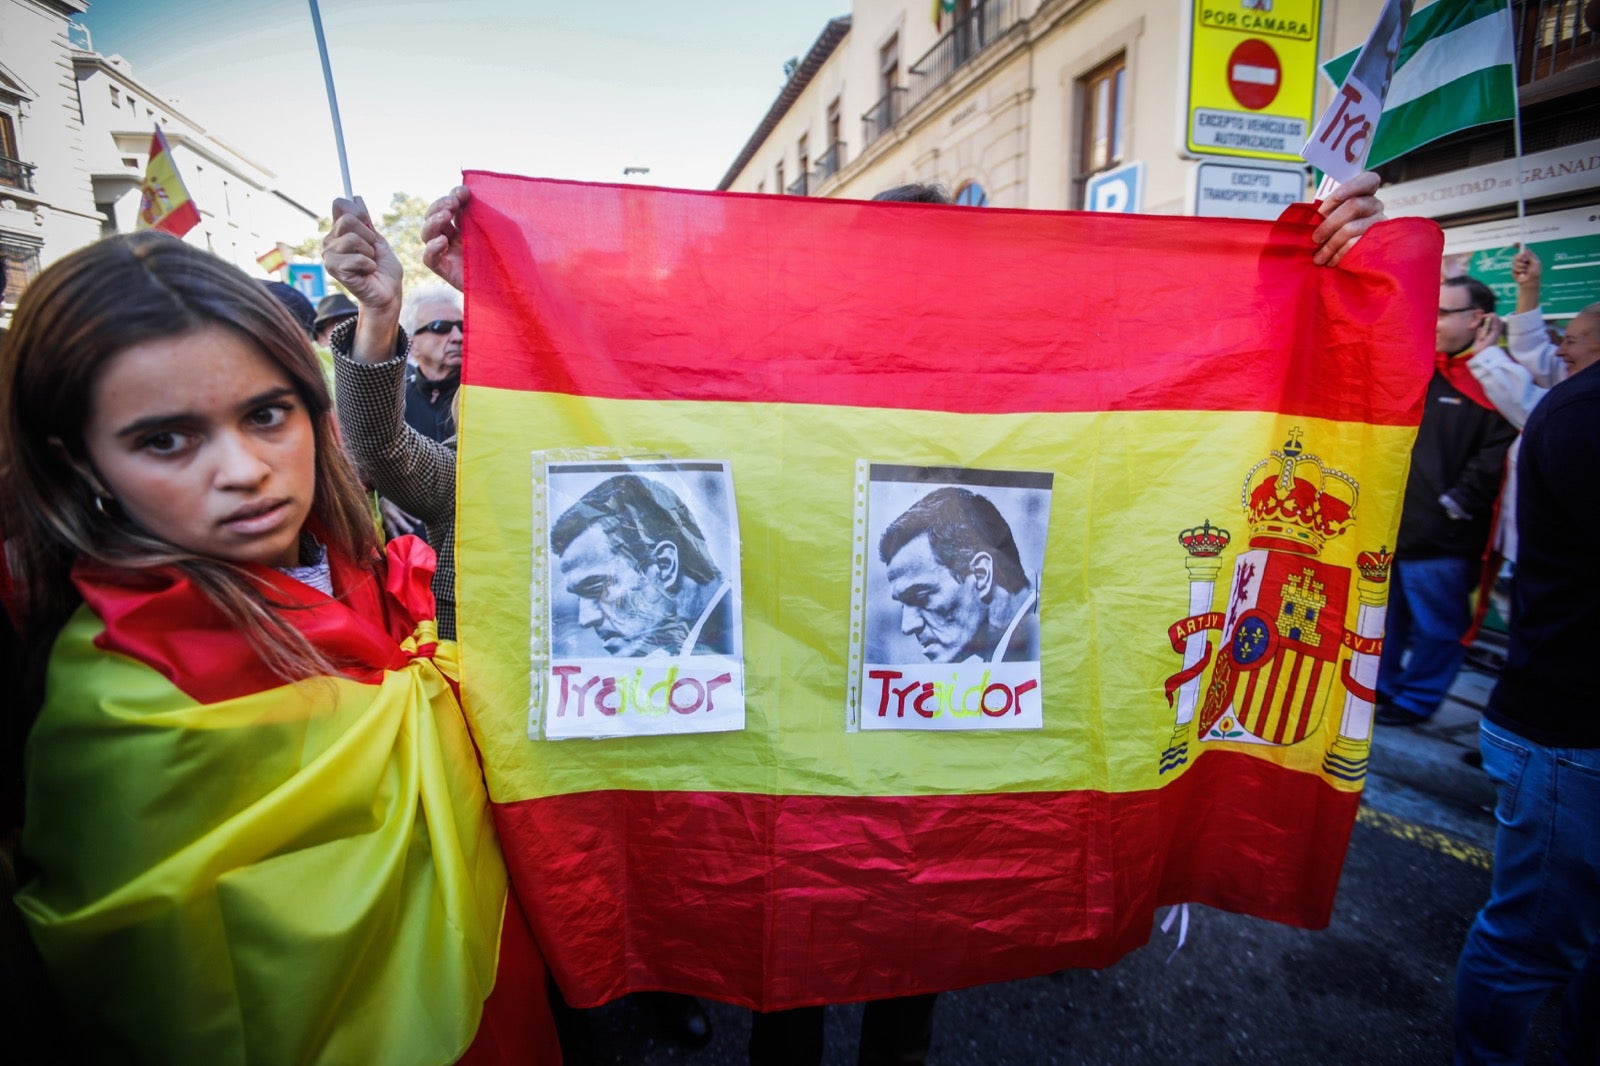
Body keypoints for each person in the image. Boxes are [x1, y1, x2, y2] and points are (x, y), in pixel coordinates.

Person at [0, 231, 556, 1063]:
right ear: (78, 461)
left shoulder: (342, 552)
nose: (245, 471)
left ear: (306, 410)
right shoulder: (127, 691)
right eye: (165, 440)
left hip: (491, 985)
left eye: (265, 416)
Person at [1452, 320, 1600, 1066]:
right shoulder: (1580, 413)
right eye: (1565, 334)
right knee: (1532, 944)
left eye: (1573, 335)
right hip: (1570, 734)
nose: (1562, 345)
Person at [1374, 275, 1517, 727]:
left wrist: (1453, 505)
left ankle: (1416, 700)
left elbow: (1501, 453)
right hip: (1396, 525)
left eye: (1444, 312)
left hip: (1444, 536)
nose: (1432, 321)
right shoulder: (1425, 367)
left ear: (1477, 319)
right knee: (1385, 621)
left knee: (1438, 627)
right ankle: (1381, 689)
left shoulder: (1498, 380)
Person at [322, 201, 462, 640]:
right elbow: (380, 447)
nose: (457, 337)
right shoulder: (468, 472)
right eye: (440, 327)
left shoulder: (492, 387)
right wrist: (379, 312)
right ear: (413, 341)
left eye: (467, 326)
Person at [550, 473, 735, 658]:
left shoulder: (736, 641)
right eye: (579, 598)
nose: (586, 619)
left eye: (597, 589)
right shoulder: (718, 641)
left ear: (665, 565)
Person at [878, 486, 1037, 663]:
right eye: (903, 606)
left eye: (921, 597)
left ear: (981, 574)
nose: (907, 626)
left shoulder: (1047, 642)